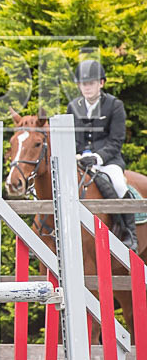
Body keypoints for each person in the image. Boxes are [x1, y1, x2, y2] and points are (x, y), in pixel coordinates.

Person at [67, 59, 137, 249]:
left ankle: (129, 233)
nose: (87, 87)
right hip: (80, 161)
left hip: (107, 161)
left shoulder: (115, 105)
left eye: (91, 83)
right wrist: (76, 155)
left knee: (119, 183)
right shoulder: (73, 107)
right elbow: (72, 137)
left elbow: (116, 140)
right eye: (83, 83)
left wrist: (98, 157)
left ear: (101, 83)